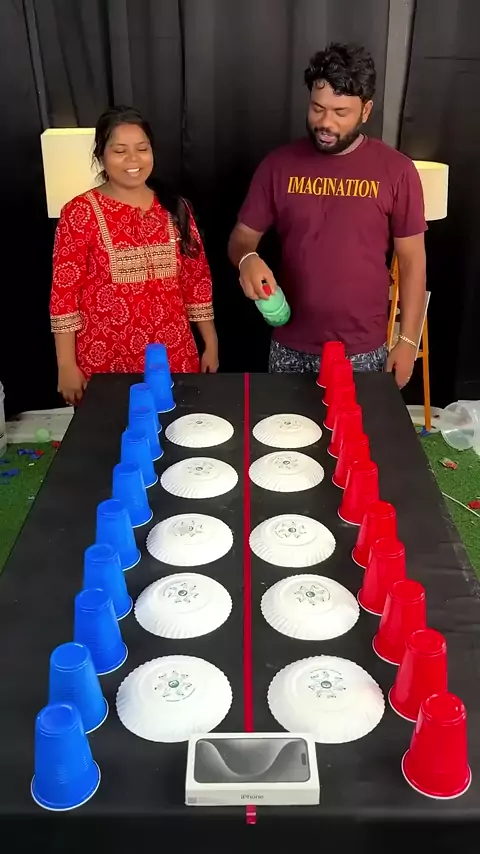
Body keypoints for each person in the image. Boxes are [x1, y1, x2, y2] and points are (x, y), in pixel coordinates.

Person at [228, 43, 426, 387]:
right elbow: (241, 239)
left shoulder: (398, 171)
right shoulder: (278, 165)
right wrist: (247, 259)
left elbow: (412, 260)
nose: (325, 123)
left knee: (356, 424)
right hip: (290, 344)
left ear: (366, 111)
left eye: (340, 112)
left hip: (362, 349)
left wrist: (408, 341)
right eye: (317, 108)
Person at [50, 106, 218, 405]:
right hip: (105, 361)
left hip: (174, 357)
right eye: (119, 151)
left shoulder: (175, 208)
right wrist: (66, 365)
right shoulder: (80, 213)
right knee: (108, 432)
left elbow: (196, 281)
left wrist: (210, 342)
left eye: (142, 149)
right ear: (101, 155)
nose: (133, 159)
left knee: (176, 428)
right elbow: (64, 294)